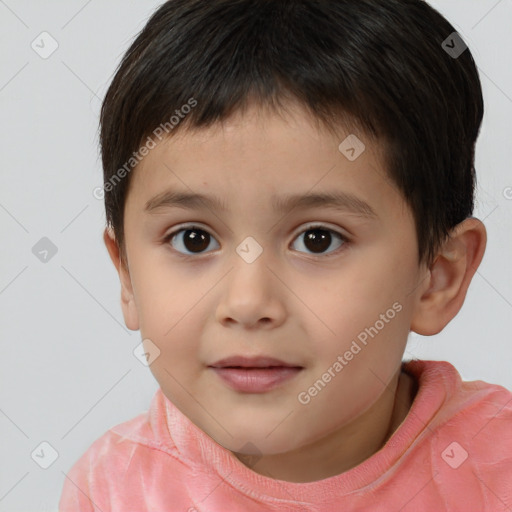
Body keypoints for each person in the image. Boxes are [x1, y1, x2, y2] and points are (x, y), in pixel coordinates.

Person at [59, 0, 512, 510]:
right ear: (127, 276)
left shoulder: (497, 465)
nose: (248, 302)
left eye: (318, 239)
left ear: (436, 277)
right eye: (194, 239)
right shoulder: (116, 489)